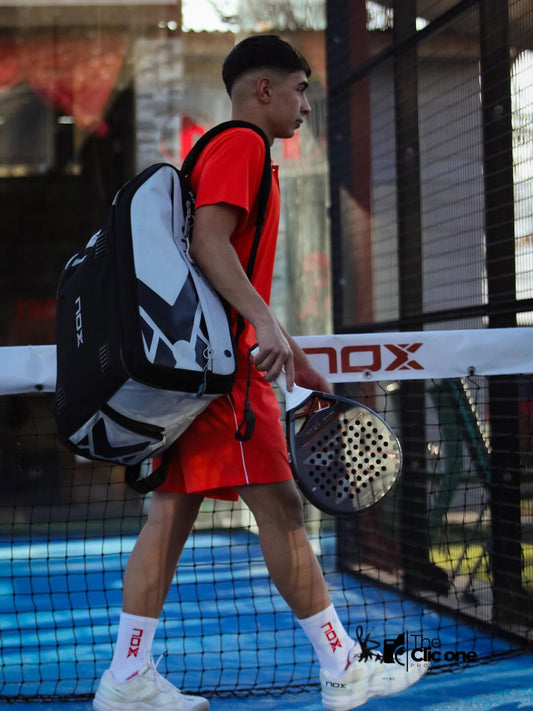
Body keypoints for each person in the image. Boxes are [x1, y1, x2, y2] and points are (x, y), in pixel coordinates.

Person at [93, 35, 428, 711]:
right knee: (279, 512)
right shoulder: (242, 143)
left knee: (169, 516)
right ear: (264, 89)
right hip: (225, 379)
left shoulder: (219, 150)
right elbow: (208, 244)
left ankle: (126, 676)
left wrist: (286, 346)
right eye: (300, 89)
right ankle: (343, 667)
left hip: (198, 370)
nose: (306, 105)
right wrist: (264, 330)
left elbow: (223, 270)